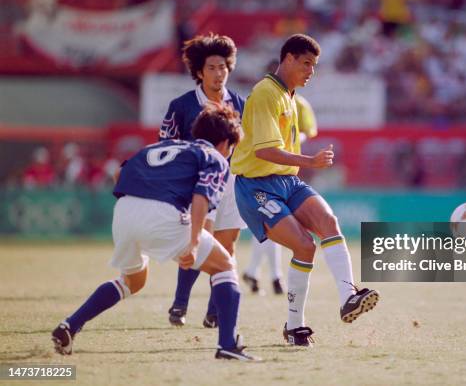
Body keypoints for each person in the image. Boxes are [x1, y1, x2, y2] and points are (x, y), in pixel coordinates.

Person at [51, 106, 259, 361]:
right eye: (231, 147)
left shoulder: (157, 147)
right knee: (225, 265)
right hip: (163, 213)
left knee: (132, 281)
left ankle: (70, 325)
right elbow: (201, 197)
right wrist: (193, 243)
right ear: (226, 142)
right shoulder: (213, 157)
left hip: (125, 211)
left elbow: (119, 173)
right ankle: (227, 344)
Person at [231, 34, 380, 347]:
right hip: (257, 186)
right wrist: (309, 159)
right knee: (304, 246)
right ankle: (295, 325)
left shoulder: (291, 96)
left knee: (329, 223)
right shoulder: (265, 93)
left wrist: (304, 161)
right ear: (287, 59)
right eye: (306, 63)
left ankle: (347, 297)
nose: (311, 70)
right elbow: (264, 151)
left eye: (314, 65)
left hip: (288, 181)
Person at [160, 33, 247, 328]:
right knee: (200, 241)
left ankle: (214, 311)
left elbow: (246, 145)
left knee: (227, 245)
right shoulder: (181, 106)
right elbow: (166, 146)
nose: (218, 72)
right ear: (199, 72)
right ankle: (180, 304)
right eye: (211, 67)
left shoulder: (239, 103)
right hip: (197, 186)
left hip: (232, 182)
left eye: (223, 66)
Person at [242, 60, 319, 296]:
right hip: (260, 172)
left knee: (275, 225)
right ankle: (270, 275)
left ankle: (258, 272)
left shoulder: (300, 104)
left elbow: (309, 131)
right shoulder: (262, 97)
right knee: (272, 224)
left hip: (286, 171)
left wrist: (289, 147)